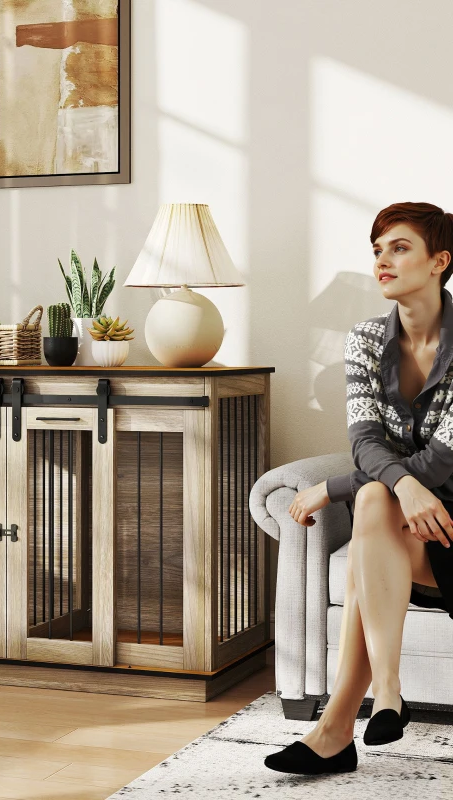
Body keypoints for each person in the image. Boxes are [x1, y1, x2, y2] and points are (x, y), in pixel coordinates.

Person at [264, 202, 453, 775]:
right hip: (405, 519)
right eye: (377, 250)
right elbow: (366, 441)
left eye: (399, 248)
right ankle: (387, 694)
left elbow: (446, 460)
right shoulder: (366, 339)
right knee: (374, 499)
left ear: (441, 261)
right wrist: (398, 488)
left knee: (371, 507)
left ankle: (338, 730)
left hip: (448, 527)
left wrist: (334, 488)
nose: (382, 261)